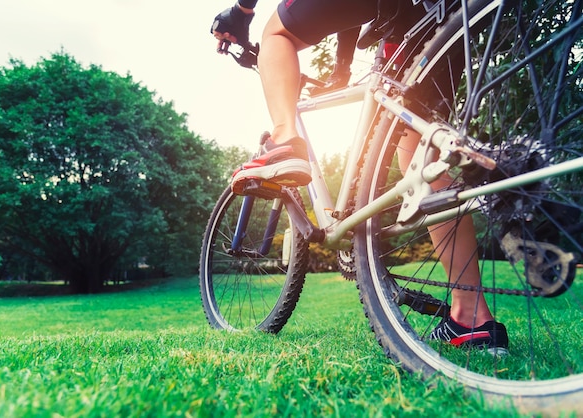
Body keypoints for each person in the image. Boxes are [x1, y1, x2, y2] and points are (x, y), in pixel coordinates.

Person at [211, 0, 509, 353]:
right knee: (420, 151)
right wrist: (343, 65)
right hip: (436, 12)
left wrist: (242, 12)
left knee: (276, 33)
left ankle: (285, 139)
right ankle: (470, 316)